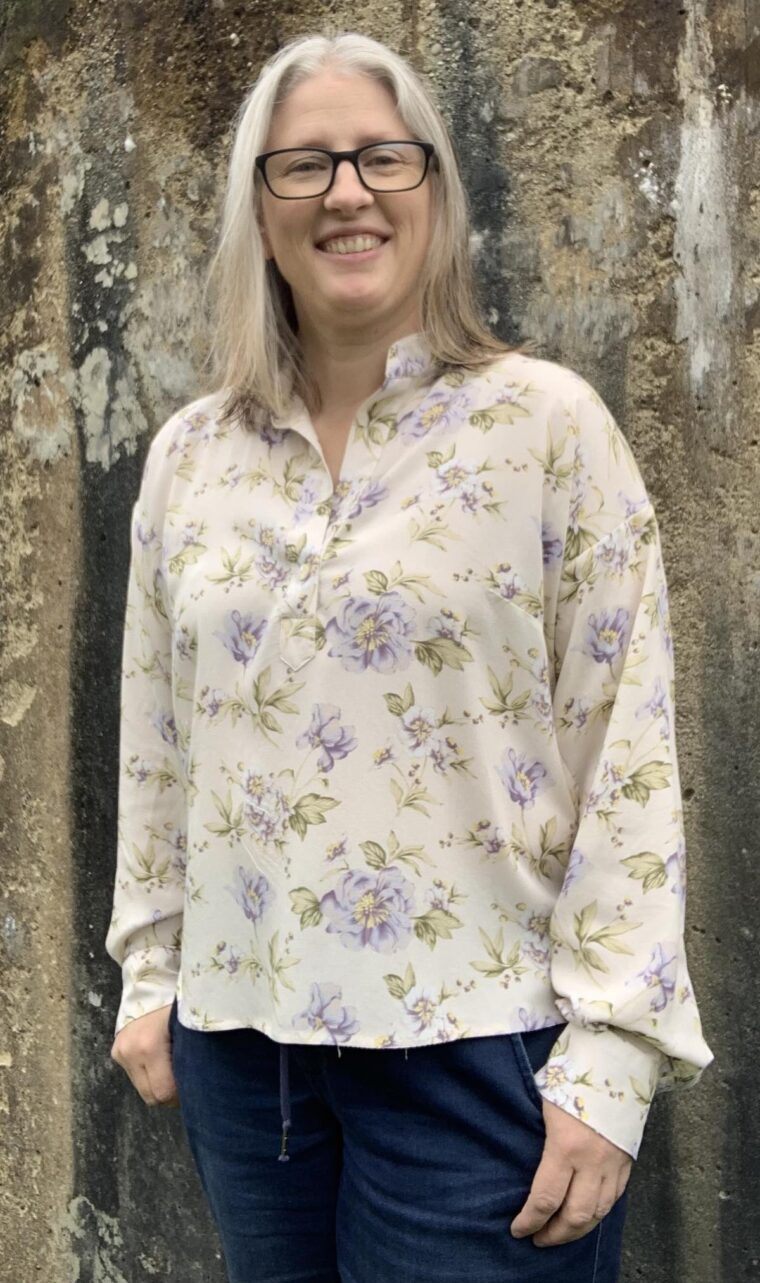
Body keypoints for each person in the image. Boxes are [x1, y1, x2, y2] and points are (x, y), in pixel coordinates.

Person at [106, 29, 713, 1283]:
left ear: (433, 189)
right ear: (255, 206)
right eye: (305, 165)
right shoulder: (190, 456)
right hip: (242, 1054)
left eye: (384, 158)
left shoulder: (544, 427)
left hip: (476, 1046)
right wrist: (149, 966)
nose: (347, 191)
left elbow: (628, 750)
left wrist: (615, 1056)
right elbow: (158, 731)